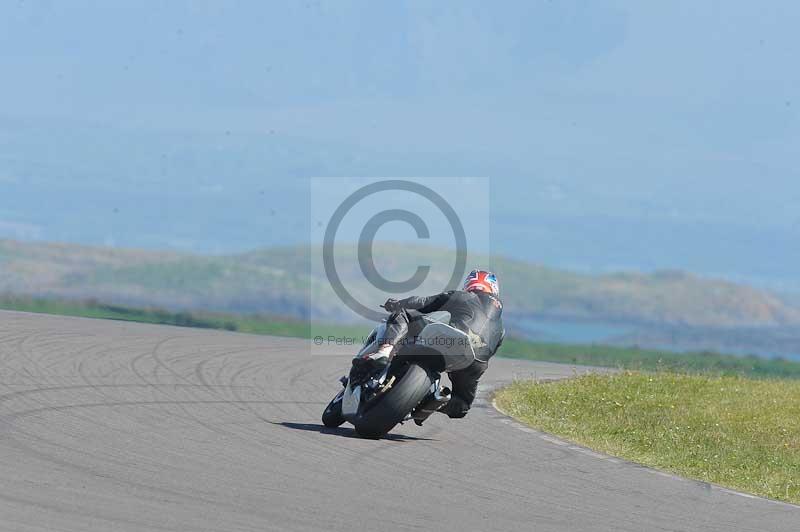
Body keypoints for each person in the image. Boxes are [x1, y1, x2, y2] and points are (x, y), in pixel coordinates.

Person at [367, 269, 505, 419]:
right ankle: (433, 401)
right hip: (476, 362)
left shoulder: (463, 296)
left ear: (470, 284)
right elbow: (492, 350)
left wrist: (398, 304)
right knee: (462, 406)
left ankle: (384, 351)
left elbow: (422, 303)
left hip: (454, 340)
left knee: (402, 314)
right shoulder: (501, 327)